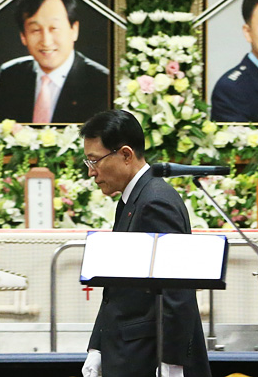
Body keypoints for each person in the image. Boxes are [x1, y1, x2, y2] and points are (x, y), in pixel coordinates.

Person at [80, 109, 211, 377]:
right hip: (127, 352)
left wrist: (172, 363)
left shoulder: (156, 201)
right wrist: (97, 348)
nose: (91, 172)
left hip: (148, 357)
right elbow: (116, 287)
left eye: (95, 161)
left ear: (126, 154)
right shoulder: (132, 199)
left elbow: (177, 289)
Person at [0, 0, 109, 124]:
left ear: (74, 30)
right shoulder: (10, 76)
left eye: (54, 28)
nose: (46, 41)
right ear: (23, 36)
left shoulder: (102, 82)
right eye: (35, 30)